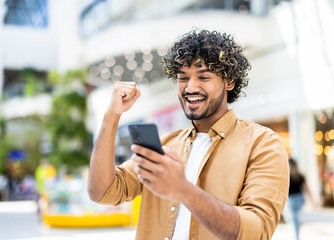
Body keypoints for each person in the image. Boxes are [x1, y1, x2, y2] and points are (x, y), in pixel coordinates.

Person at [87, 29, 289, 240]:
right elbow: (102, 192)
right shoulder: (165, 144)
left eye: (204, 77)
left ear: (229, 82)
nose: (190, 87)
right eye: (183, 78)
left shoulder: (262, 144)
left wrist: (182, 189)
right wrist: (111, 117)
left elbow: (256, 231)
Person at [286, 158, 316, 240]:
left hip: (291, 200)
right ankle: (297, 230)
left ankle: (297, 235)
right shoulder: (301, 175)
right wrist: (312, 200)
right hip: (300, 199)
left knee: (294, 217)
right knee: (296, 216)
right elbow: (307, 189)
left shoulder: (286, 176)